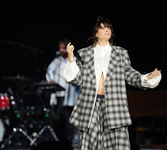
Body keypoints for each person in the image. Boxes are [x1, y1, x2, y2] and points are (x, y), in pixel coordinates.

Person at [63, 16, 161, 150]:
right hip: (90, 106)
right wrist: (71, 58)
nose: (106, 30)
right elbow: (77, 79)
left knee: (117, 145)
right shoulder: (85, 54)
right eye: (102, 27)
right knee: (90, 145)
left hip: (115, 105)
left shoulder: (120, 53)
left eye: (108, 27)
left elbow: (130, 74)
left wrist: (146, 78)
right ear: (96, 33)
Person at [46, 38, 81, 142]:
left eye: (64, 48)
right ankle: (58, 142)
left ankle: (68, 143)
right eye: (60, 48)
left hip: (69, 98)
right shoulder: (56, 61)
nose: (62, 50)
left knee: (68, 123)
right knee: (56, 120)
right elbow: (49, 72)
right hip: (57, 96)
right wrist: (50, 79)